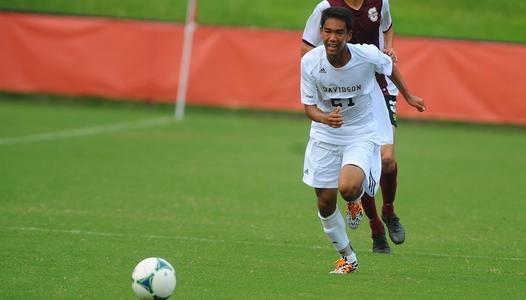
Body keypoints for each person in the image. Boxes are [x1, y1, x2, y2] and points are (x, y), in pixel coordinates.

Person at [300, 7, 424, 274]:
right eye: (328, 32)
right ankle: (348, 257)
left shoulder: (366, 54)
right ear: (321, 32)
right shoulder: (309, 62)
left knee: (348, 187)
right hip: (324, 135)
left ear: (349, 34)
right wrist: (325, 119)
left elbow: (389, 67)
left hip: (359, 131)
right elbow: (309, 107)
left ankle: (360, 198)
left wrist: (410, 96)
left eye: (339, 33)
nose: (333, 38)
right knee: (324, 202)